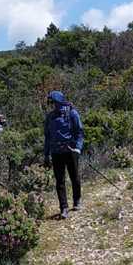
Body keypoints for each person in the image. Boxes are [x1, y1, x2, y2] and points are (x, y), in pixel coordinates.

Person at [44, 90, 84, 220]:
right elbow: (47, 137)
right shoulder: (50, 117)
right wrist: (46, 155)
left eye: (54, 102)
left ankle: (77, 200)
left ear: (59, 101)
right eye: (51, 102)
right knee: (59, 181)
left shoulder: (72, 113)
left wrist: (77, 148)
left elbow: (79, 132)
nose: (52, 105)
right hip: (56, 152)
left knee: (74, 177)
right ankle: (64, 207)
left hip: (70, 151)